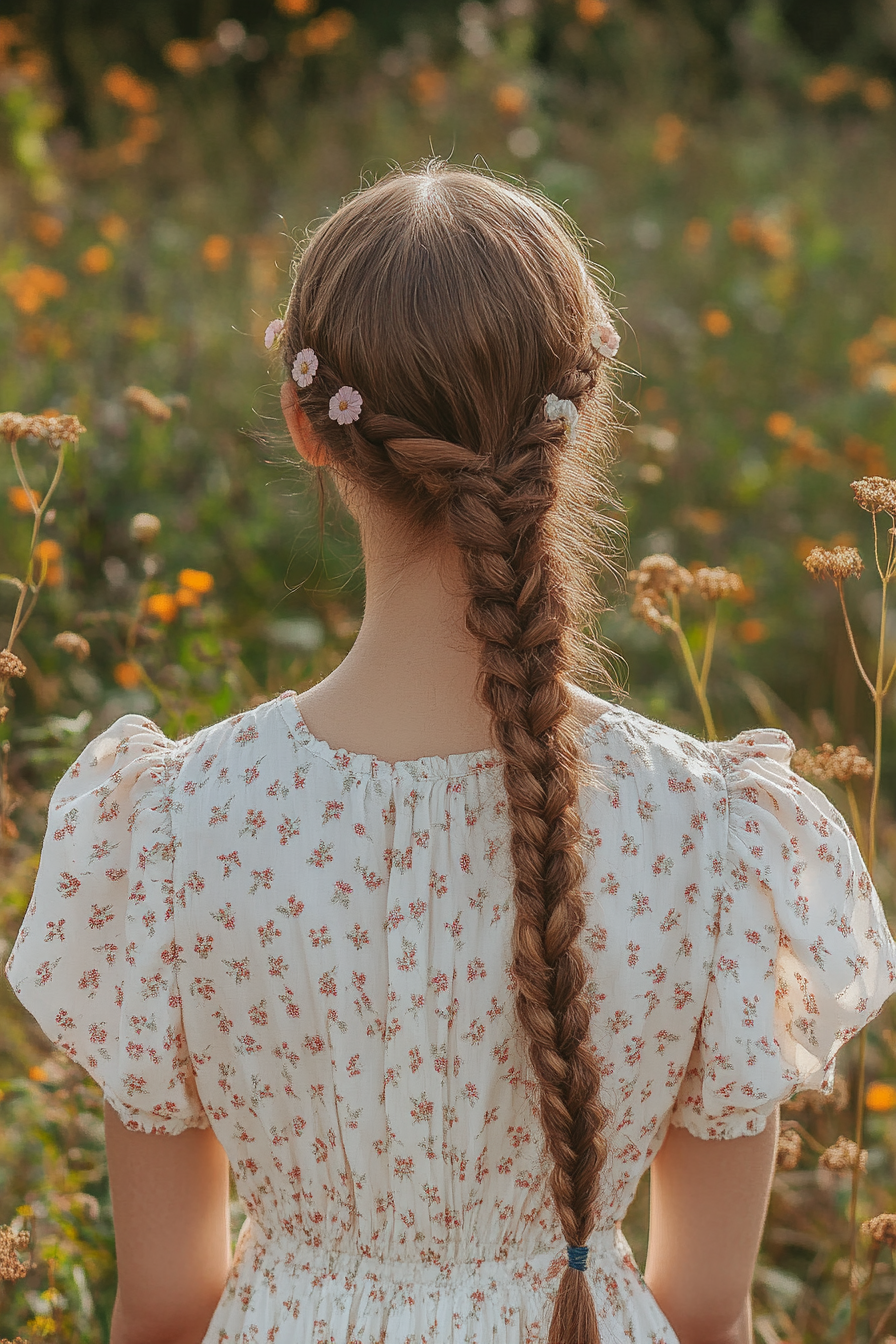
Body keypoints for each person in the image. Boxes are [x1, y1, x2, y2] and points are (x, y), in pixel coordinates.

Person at [5, 162, 895, 1344]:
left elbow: (164, 1305)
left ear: (306, 427)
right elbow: (705, 1309)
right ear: (575, 427)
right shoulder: (712, 831)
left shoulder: (178, 825)